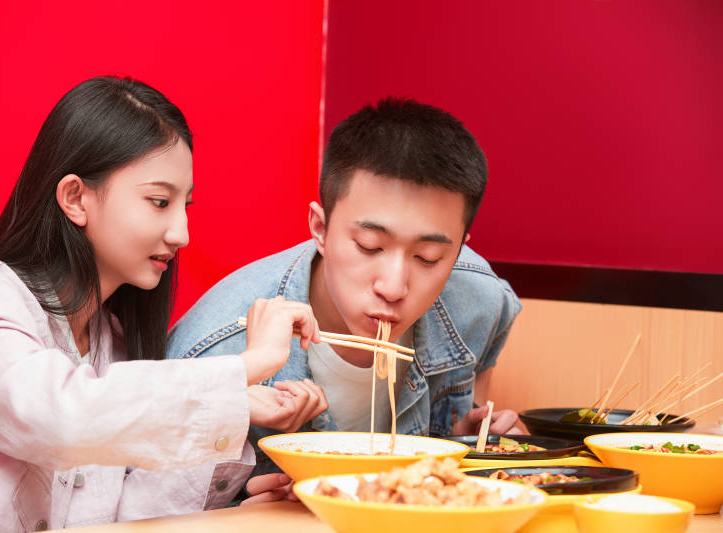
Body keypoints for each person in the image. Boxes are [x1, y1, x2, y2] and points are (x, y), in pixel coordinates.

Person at [0, 76, 320, 532]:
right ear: (76, 197)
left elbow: (122, 519)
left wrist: (231, 501)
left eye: (185, 205)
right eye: (159, 201)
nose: (182, 234)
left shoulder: (112, 344)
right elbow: (62, 419)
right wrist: (250, 364)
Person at [167, 97, 522, 480]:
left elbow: (469, 428)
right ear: (320, 228)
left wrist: (474, 448)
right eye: (370, 246)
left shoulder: (480, 301)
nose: (393, 286)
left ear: (458, 249)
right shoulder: (213, 351)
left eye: (429, 257)